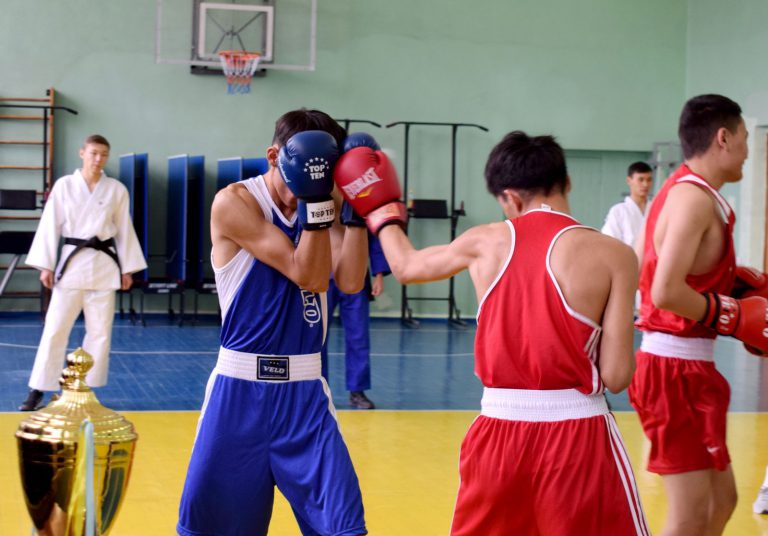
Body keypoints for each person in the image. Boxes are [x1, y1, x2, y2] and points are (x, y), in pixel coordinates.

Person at [334, 131, 649, 534]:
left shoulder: (484, 241)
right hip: (580, 434)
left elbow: (407, 267)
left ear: (509, 198)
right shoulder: (615, 255)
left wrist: (379, 208)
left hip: (498, 431)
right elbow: (618, 376)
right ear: (566, 182)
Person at [177, 109, 370, 536]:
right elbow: (310, 275)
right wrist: (318, 203)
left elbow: (350, 281)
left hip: (305, 393)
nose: (316, 181)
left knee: (342, 527)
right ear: (273, 156)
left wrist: (357, 214)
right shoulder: (235, 202)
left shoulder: (328, 201)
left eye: (325, 171)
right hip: (238, 393)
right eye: (309, 169)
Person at [629, 94, 768, 535]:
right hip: (673, 370)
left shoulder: (682, 190)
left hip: (688, 367)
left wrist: (726, 284)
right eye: (745, 139)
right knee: (690, 515)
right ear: (723, 138)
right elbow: (663, 290)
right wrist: (731, 314)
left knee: (722, 501)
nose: (748, 151)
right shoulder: (693, 199)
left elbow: (641, 265)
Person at [20, 134, 147, 411]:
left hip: (104, 266)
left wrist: (127, 269)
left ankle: (85, 389)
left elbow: (124, 230)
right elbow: (50, 225)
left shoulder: (116, 189)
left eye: (103, 154)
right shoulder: (65, 185)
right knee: (55, 328)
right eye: (93, 153)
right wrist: (46, 264)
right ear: (82, 153)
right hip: (72, 265)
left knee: (100, 333)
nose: (98, 159)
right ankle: (38, 388)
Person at [321, 232, 390, 410]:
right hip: (322, 276)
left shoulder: (361, 213)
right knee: (318, 338)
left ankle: (357, 391)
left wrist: (379, 275)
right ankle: (318, 390)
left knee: (358, 337)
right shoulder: (313, 210)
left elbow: (373, 238)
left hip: (356, 277)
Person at [601, 161, 654, 248]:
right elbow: (610, 242)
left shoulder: (657, 208)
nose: (645, 184)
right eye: (641, 180)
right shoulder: (618, 211)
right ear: (629, 181)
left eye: (649, 180)